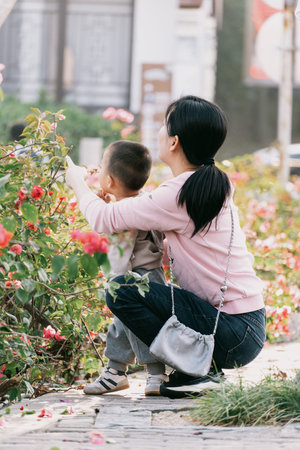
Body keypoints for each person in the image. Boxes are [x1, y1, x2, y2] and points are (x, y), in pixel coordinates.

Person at [66, 95, 266, 398]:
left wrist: (78, 182)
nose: (159, 131)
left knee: (122, 289)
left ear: (174, 142)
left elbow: (103, 219)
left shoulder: (179, 193)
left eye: (163, 124)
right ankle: (198, 371)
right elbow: (147, 211)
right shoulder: (208, 183)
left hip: (229, 331)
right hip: (243, 328)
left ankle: (202, 372)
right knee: (142, 288)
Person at [82, 140, 168, 396]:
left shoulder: (123, 216)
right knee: (122, 324)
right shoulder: (141, 202)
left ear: (108, 180)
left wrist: (114, 283)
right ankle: (115, 371)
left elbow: (121, 255)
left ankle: (155, 372)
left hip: (136, 277)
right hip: (153, 275)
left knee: (140, 324)